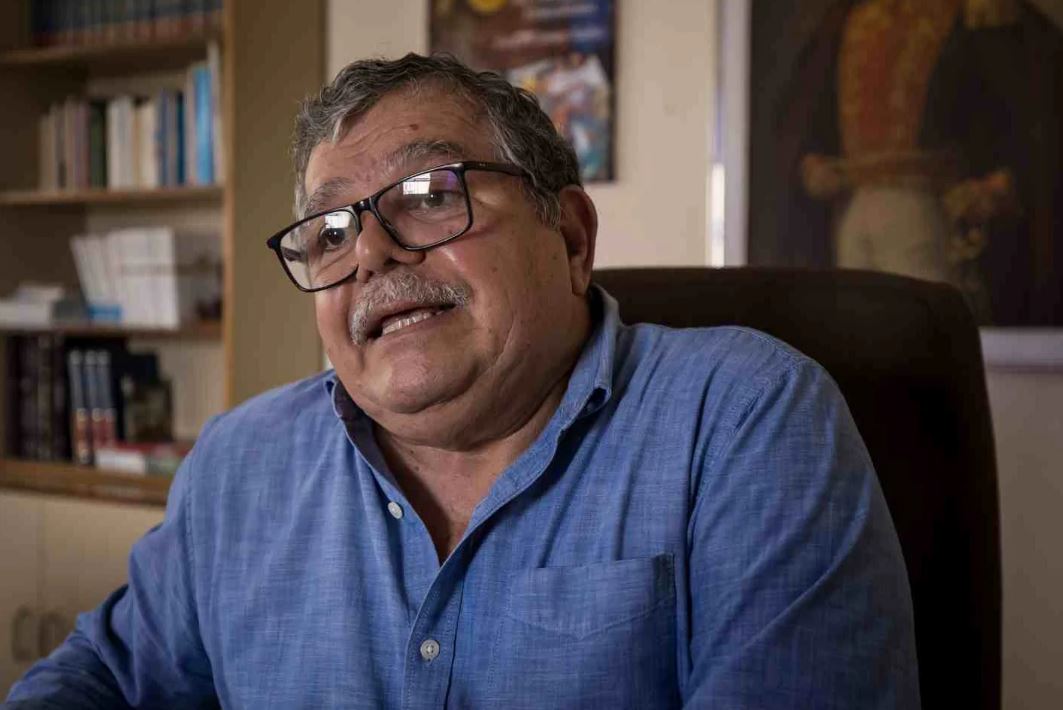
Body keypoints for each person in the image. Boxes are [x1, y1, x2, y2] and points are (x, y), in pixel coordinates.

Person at [5, 53, 919, 708]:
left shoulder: (744, 418)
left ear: (570, 238)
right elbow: (103, 678)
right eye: (329, 232)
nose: (370, 253)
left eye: (430, 195)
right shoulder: (240, 461)